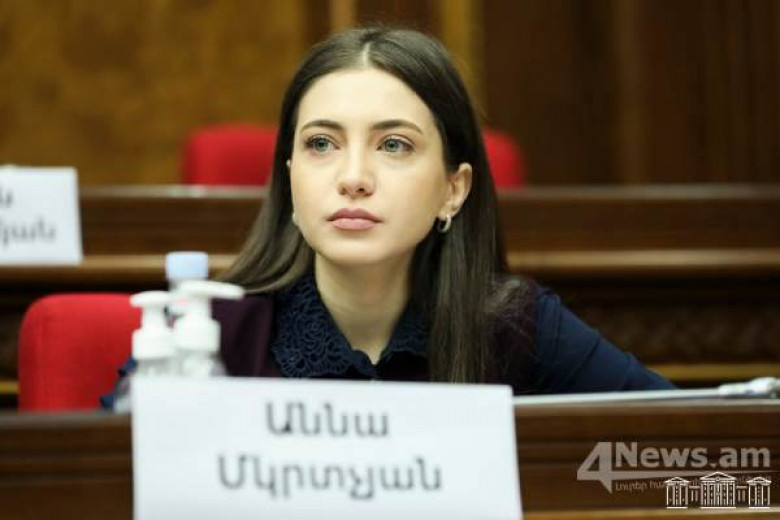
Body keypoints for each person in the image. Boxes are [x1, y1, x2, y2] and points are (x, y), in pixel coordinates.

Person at [102, 27, 672, 409]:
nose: (353, 177)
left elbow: (683, 445)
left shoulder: (516, 326)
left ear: (454, 189)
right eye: (322, 144)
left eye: (394, 145)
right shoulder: (211, 330)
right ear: (290, 178)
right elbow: (96, 483)